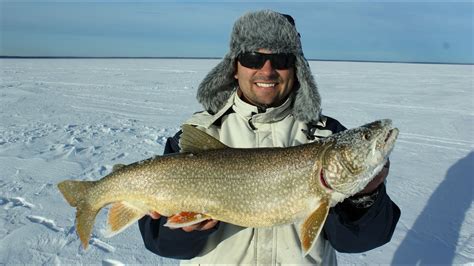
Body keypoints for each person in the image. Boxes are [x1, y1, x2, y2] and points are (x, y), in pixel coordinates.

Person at [138, 10, 400, 264]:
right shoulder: (197, 135)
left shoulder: (327, 136)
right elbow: (159, 241)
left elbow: (357, 241)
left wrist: (365, 196)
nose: (267, 71)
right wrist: (184, 233)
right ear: (234, 67)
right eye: (253, 59)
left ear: (297, 69)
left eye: (282, 60)